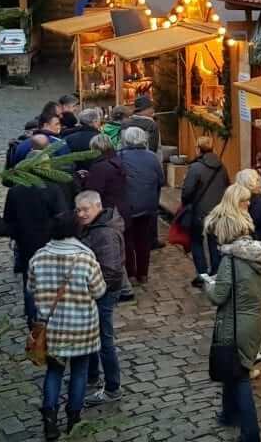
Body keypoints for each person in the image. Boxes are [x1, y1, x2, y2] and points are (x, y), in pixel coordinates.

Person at [203, 186, 261, 442]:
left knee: (241, 376)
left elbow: (218, 296)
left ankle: (251, 433)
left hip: (235, 323)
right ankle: (228, 413)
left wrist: (207, 282)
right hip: (254, 320)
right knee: (235, 369)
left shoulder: (230, 261)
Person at [28, 212, 106, 440]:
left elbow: (31, 289)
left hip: (51, 329)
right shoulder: (86, 257)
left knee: (54, 372)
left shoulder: (38, 257)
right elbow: (99, 291)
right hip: (82, 327)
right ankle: (74, 417)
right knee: (80, 372)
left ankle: (50, 420)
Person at [2, 150, 68, 325]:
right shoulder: (53, 188)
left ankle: (34, 323)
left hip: (26, 244)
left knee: (30, 284)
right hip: (51, 244)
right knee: (54, 283)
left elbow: (8, 220)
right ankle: (55, 321)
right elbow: (62, 217)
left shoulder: (16, 191)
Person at [75, 191, 125, 406]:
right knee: (93, 335)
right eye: (78, 210)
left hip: (103, 291)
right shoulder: (93, 226)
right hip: (96, 290)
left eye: (86, 209)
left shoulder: (104, 233)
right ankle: (92, 375)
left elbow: (111, 270)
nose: (82, 214)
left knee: (105, 340)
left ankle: (113, 387)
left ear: (97, 206)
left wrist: (94, 289)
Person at [117, 126, 164, 283]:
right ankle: (143, 274)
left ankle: (131, 274)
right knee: (143, 240)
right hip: (147, 205)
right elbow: (161, 180)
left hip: (127, 205)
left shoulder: (120, 156)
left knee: (128, 240)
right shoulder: (152, 157)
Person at [182, 137, 231, 284]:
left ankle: (202, 274)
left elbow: (187, 192)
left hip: (199, 211)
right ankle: (216, 272)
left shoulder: (196, 168)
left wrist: (186, 203)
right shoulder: (221, 166)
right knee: (214, 241)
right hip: (218, 210)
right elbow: (227, 186)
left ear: (198, 148)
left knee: (196, 241)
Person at [82, 135, 130, 220]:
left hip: (108, 213)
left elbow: (92, 192)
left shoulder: (99, 167)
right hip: (122, 209)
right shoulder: (118, 161)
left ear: (94, 148)